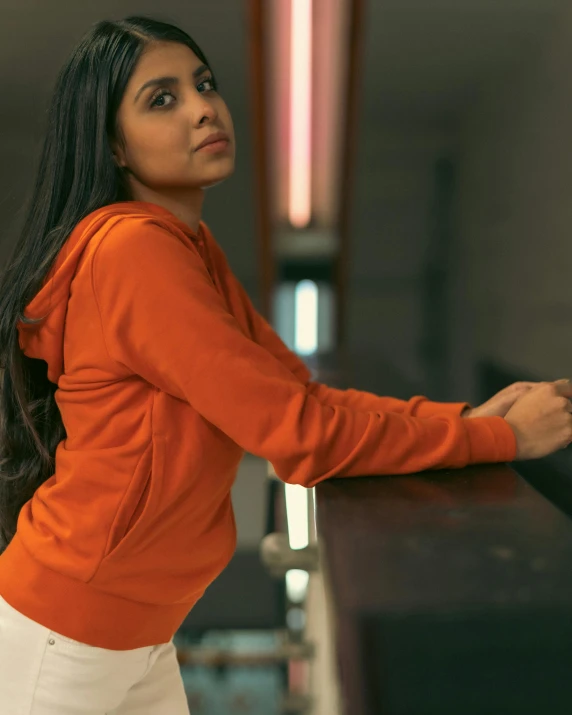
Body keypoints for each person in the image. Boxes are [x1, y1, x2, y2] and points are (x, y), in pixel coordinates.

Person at [0, 14, 570, 715]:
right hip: (66, 641)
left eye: (203, 84)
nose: (205, 106)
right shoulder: (130, 255)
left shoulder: (188, 245)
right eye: (162, 98)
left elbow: (297, 393)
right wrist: (498, 439)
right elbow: (297, 435)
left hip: (132, 637)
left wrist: (462, 419)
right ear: (114, 144)